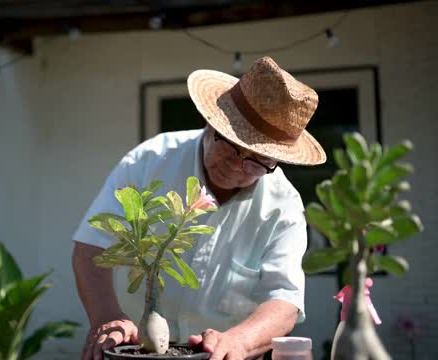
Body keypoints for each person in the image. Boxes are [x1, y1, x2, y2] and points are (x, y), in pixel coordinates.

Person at [72, 56, 327, 360]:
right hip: (135, 350)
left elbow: (284, 301)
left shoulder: (283, 204)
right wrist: (107, 317)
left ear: (276, 162)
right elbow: (91, 246)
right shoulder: (151, 161)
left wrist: (240, 342)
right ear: (210, 121)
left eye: (257, 160)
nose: (236, 166)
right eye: (229, 144)